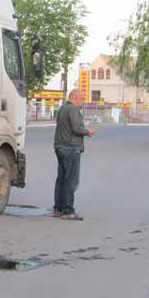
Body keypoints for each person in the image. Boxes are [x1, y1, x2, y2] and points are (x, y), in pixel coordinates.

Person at [53, 89, 96, 220]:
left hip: (60, 146)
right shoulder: (73, 109)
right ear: (75, 98)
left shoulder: (62, 108)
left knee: (61, 180)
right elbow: (77, 128)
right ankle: (68, 211)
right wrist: (88, 132)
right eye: (82, 99)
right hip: (70, 149)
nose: (82, 102)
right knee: (71, 181)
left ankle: (58, 209)